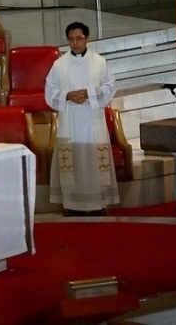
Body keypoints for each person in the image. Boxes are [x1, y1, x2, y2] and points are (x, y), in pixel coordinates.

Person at [45, 21, 119, 216]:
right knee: (72, 162)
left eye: (79, 38)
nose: (75, 43)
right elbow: (50, 90)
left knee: (94, 160)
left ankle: (98, 204)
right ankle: (71, 204)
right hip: (69, 120)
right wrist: (68, 95)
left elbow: (110, 86)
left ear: (87, 38)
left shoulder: (99, 62)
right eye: (71, 39)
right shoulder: (59, 64)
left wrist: (88, 93)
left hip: (92, 119)